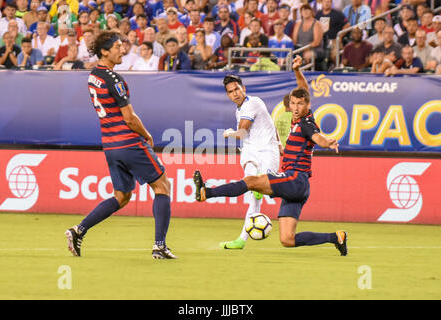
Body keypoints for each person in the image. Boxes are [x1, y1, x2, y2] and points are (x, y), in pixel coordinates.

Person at [193, 55, 347, 256]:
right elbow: (304, 91)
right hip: (296, 187)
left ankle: (207, 192)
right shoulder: (299, 117)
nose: (296, 107)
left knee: (250, 181)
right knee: (287, 239)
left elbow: (318, 138)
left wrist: (328, 142)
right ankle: (336, 237)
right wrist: (297, 71)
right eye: (293, 103)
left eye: (300, 104)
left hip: (295, 179)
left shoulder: (307, 124)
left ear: (307, 105)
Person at [65, 30, 176, 260]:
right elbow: (129, 118)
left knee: (122, 196)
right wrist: (146, 134)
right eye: (116, 46)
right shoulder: (114, 79)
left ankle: (78, 231)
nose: (121, 49)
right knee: (162, 186)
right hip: (128, 142)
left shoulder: (93, 76)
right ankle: (160, 246)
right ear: (104, 51)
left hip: (110, 145)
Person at [214, 73, 281, 249]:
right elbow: (271, 123)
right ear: (228, 95)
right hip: (251, 150)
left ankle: (241, 239)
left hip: (267, 150)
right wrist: (281, 142)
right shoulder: (240, 109)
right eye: (230, 92)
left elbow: (242, 133)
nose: (235, 93)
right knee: (252, 191)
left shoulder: (252, 103)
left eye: (237, 89)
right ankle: (241, 240)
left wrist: (229, 133)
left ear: (243, 88)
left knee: (258, 193)